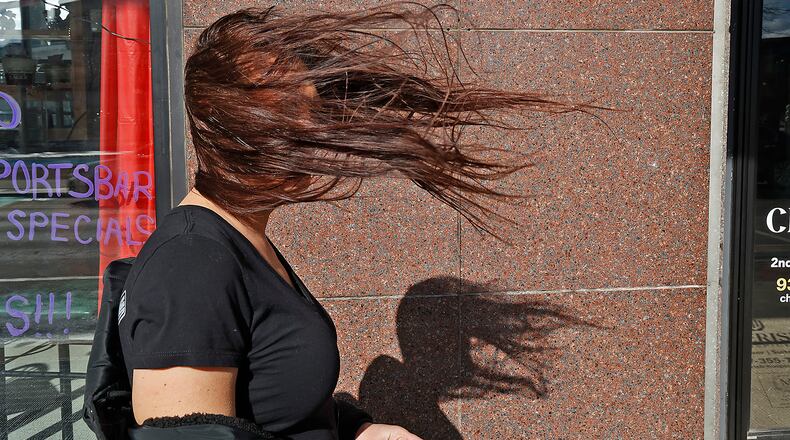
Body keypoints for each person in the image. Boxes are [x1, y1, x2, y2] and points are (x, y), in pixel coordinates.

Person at [117, 2, 611, 440]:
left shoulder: (240, 240)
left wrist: (360, 429)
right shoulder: (191, 265)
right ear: (235, 135)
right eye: (293, 122)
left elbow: (272, 400)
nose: (317, 139)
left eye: (314, 115)